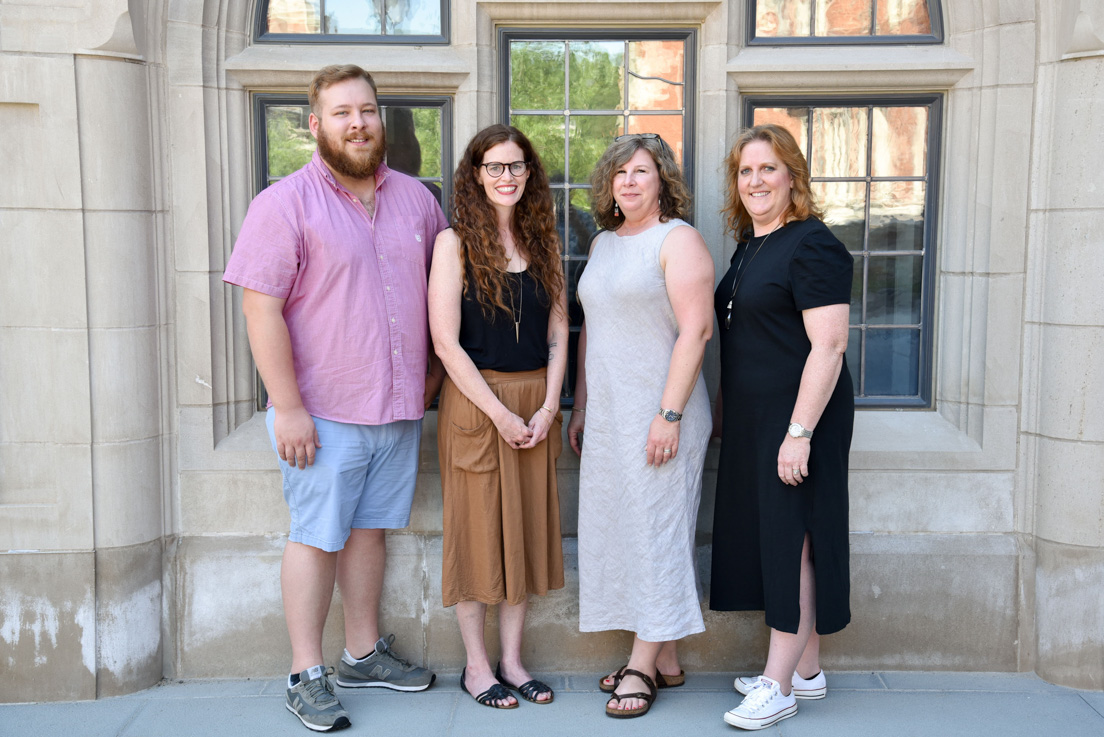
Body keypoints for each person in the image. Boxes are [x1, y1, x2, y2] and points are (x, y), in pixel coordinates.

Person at [223, 64, 448, 733]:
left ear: (382, 120)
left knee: (368, 531)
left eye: (369, 111)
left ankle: (360, 652)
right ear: (316, 125)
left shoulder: (417, 200)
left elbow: (439, 298)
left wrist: (431, 377)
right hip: (320, 413)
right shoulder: (284, 203)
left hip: (398, 407)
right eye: (343, 112)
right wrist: (286, 405)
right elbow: (259, 310)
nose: (358, 123)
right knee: (316, 537)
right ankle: (305, 671)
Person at [710, 124, 855, 731]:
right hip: (755, 415)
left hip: (801, 414)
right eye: (745, 171)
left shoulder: (811, 244)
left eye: (768, 169)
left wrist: (799, 432)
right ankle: (806, 670)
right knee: (783, 535)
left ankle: (778, 686)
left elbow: (829, 347)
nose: (755, 181)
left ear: (792, 175)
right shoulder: (750, 245)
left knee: (790, 539)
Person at [566, 133, 714, 719]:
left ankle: (641, 665)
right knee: (625, 532)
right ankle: (667, 657)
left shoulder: (679, 240)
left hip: (662, 413)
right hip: (608, 414)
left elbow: (696, 332)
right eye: (620, 172)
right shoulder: (603, 243)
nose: (629, 181)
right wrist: (580, 406)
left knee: (658, 531)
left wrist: (669, 414)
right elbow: (591, 330)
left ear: (663, 181)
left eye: (642, 172)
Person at [428, 124, 568, 710]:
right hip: (476, 407)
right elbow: (445, 343)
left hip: (536, 404)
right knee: (478, 536)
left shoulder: (545, 242)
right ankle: (477, 667)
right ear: (476, 175)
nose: (506, 177)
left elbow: (560, 331)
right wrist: (500, 415)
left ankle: (512, 662)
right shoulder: (453, 244)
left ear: (529, 174)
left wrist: (551, 403)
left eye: (516, 166)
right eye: (494, 167)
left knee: (525, 537)